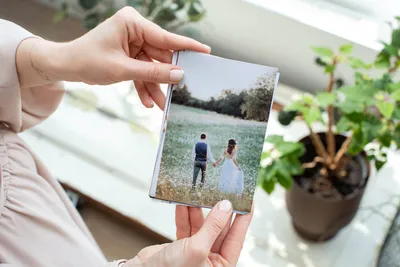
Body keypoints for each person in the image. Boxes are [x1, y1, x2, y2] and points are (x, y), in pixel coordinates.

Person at [0, 7, 253, 267]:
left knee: (195, 178)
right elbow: (217, 156)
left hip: (22, 192)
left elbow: (212, 155)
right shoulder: (214, 147)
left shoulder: (206, 145)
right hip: (22, 229)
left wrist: (53, 58)